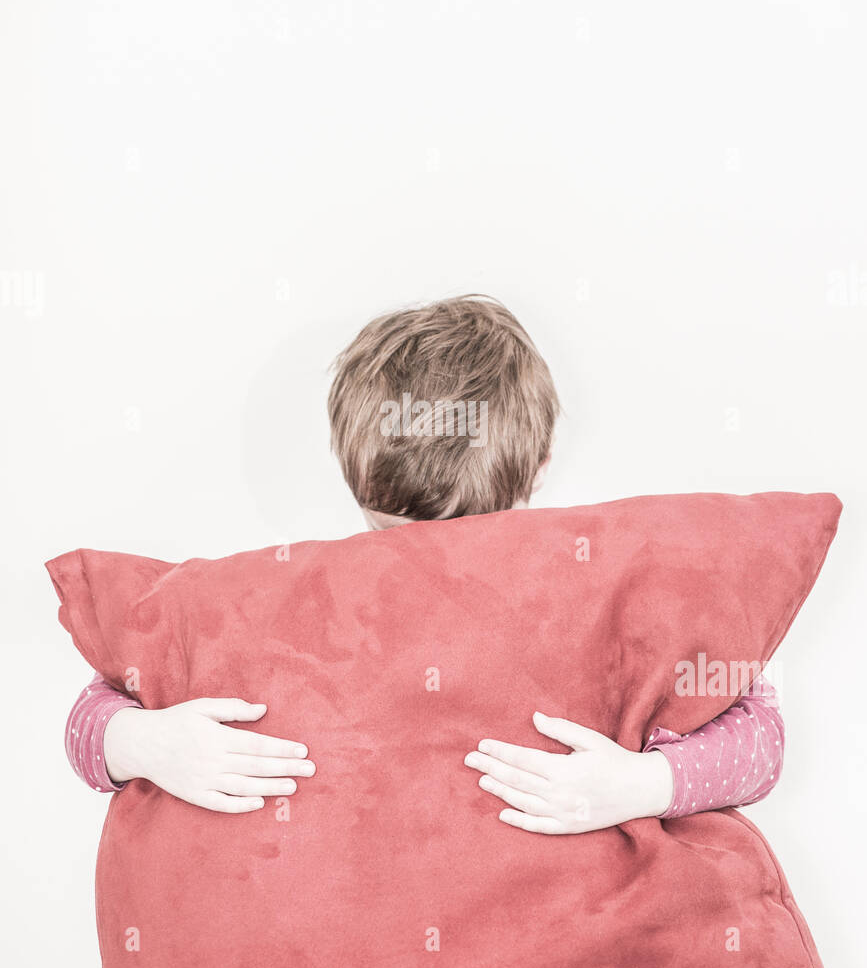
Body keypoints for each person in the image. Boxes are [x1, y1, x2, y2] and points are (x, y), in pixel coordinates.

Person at [65, 296, 783, 830]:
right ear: (539, 463)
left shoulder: (260, 609)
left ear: (347, 461)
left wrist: (137, 740)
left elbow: (89, 719)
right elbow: (759, 735)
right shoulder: (618, 599)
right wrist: (651, 785)